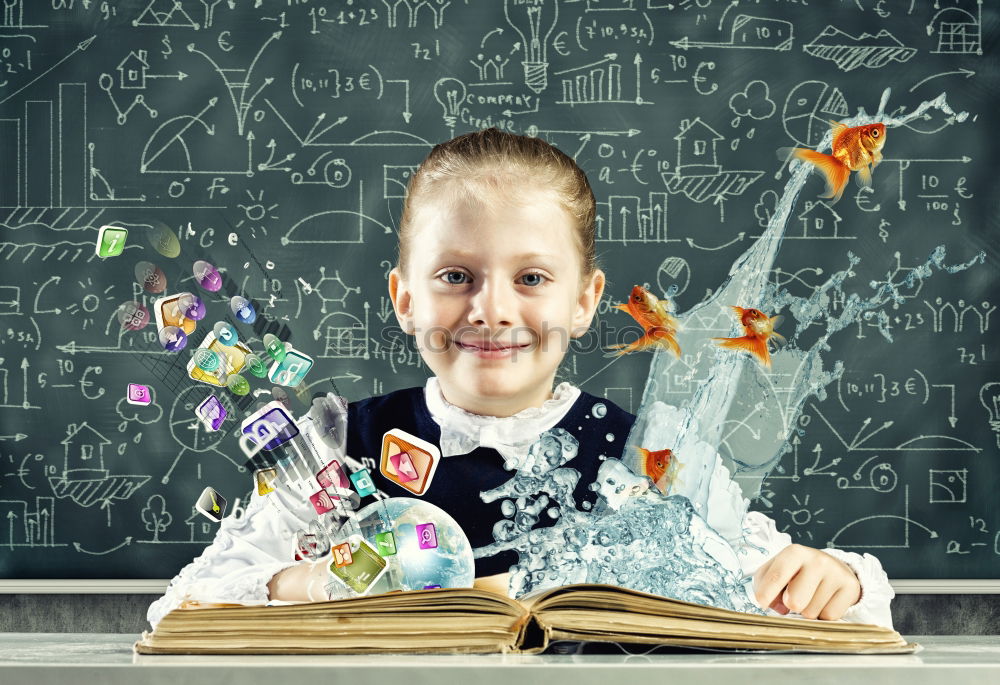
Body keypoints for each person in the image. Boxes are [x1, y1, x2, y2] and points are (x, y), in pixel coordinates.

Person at [147, 128, 894, 631]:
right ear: (405, 298)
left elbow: (825, 597)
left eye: (531, 276)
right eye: (454, 275)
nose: (493, 308)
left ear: (584, 300)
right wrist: (323, 582)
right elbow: (182, 604)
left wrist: (840, 579)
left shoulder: (657, 459)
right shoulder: (337, 443)